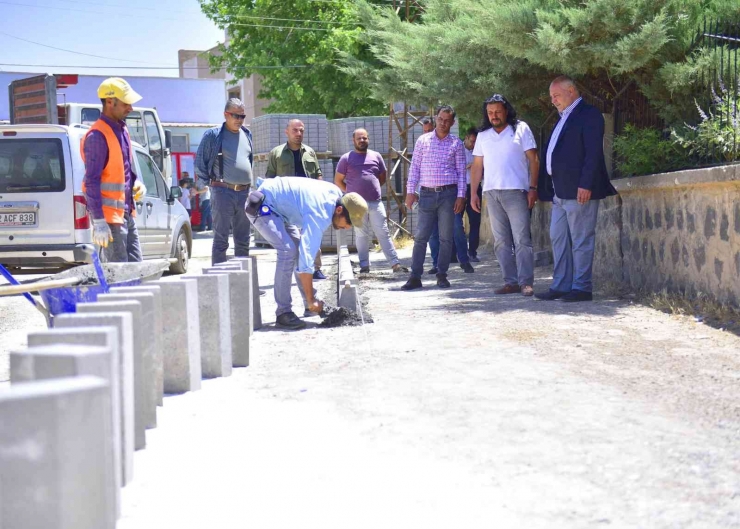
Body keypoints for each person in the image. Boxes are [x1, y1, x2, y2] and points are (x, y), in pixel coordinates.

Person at [535, 75, 618, 302]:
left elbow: (593, 153)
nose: (553, 100)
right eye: (551, 96)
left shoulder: (588, 115)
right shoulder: (563, 117)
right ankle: (561, 285)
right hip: (559, 191)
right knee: (558, 238)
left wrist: (586, 184)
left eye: (556, 95)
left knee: (581, 239)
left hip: (579, 190)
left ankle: (582, 288)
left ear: (571, 91)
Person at [244, 177, 368, 330]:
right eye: (348, 223)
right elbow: (307, 257)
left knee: (296, 252)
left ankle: (310, 305)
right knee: (288, 250)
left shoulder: (336, 196)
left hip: (280, 210)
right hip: (262, 206)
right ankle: (284, 313)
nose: (348, 228)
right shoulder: (320, 212)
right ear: (339, 210)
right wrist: (311, 298)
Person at [470, 94, 540, 297]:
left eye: (498, 111)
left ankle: (526, 282)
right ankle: (510, 282)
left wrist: (533, 188)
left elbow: (534, 160)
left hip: (517, 191)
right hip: (491, 193)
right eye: (490, 112)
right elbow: (477, 166)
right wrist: (474, 193)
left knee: (522, 239)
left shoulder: (520, 128)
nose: (494, 115)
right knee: (501, 241)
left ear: (506, 110)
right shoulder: (482, 135)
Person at [402, 105, 467, 290]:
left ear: (452, 123)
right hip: (427, 194)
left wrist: (461, 196)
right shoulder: (423, 141)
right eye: (440, 119)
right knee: (421, 236)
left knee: (446, 237)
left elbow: (462, 173)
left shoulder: (456, 144)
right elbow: (414, 167)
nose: (443, 123)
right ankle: (415, 276)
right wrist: (410, 191)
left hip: (449, 194)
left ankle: (442, 274)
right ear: (436, 118)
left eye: (447, 120)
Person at [82, 77, 146, 263]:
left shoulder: (122, 130)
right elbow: (91, 181)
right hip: (109, 219)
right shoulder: (96, 136)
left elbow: (123, 169)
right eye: (126, 103)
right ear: (110, 102)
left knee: (136, 269)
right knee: (119, 276)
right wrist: (99, 221)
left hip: (126, 213)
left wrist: (136, 183)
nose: (130, 108)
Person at [265, 119, 327, 280]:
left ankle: (316, 268)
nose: (299, 134)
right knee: (291, 238)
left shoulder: (310, 152)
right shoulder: (276, 153)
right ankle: (297, 269)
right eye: (295, 130)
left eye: (301, 131)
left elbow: (318, 173)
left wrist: (320, 192)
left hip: (308, 200)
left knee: (312, 233)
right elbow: (269, 179)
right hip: (286, 203)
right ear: (287, 131)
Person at [334, 128, 403, 273]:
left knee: (383, 232)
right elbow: (338, 181)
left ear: (368, 139)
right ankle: (364, 266)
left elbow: (383, 177)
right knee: (361, 234)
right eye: (359, 138)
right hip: (356, 207)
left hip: (375, 202)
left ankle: (395, 264)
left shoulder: (376, 156)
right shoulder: (346, 158)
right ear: (353, 140)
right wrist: (351, 194)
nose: (362, 141)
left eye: (364, 138)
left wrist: (373, 187)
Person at [195, 98, 253, 265]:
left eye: (242, 116)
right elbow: (200, 163)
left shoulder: (247, 134)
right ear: (225, 115)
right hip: (223, 192)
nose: (239, 120)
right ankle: (219, 284)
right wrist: (212, 184)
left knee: (243, 239)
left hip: (244, 193)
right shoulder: (213, 135)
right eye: (235, 116)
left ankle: (243, 283)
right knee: (221, 240)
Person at [463, 128, 482, 262]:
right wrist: (467, 166)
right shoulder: (458, 150)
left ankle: (472, 252)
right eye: (472, 141)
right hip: (461, 189)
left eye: (476, 142)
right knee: (456, 222)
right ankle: (459, 252)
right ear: (466, 138)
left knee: (475, 222)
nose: (473, 144)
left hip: (475, 188)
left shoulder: (479, 151)